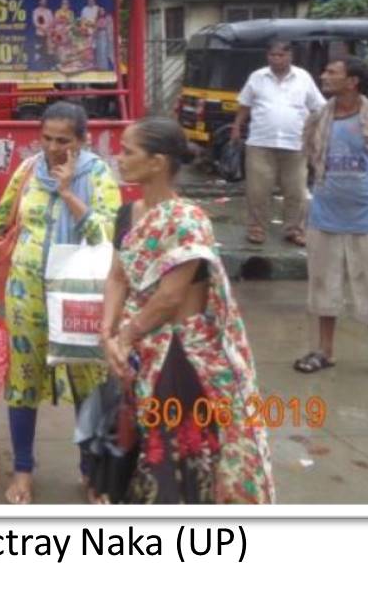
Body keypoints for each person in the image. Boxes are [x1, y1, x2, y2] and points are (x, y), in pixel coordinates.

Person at [102, 117, 275, 504]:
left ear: (157, 162)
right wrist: (107, 333)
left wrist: (123, 335)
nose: (120, 158)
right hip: (138, 350)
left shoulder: (188, 220)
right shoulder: (127, 214)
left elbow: (169, 298)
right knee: (143, 448)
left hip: (180, 354)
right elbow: (116, 276)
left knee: (178, 462)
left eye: (129, 151)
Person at [0, 101, 122, 505]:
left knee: (88, 381)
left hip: (79, 290)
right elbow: (1, 216)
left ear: (82, 141)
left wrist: (68, 193)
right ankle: (23, 470)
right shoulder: (29, 169)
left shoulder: (98, 175)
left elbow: (106, 234)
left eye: (63, 140)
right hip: (26, 288)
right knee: (23, 381)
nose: (53, 147)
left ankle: (90, 470)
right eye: (47, 138)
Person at [293, 56, 368, 385]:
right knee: (323, 287)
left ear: (352, 81)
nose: (324, 76)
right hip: (325, 217)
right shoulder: (319, 118)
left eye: (332, 72)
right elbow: (313, 160)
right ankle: (324, 351)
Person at [231, 41, 325, 247]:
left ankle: (294, 229)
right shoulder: (257, 77)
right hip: (260, 143)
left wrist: (316, 133)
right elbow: (244, 104)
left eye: (281, 55)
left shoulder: (303, 78)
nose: (276, 59)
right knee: (258, 190)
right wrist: (237, 126)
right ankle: (256, 228)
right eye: (273, 55)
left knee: (296, 191)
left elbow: (318, 107)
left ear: (290, 56)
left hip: (295, 144)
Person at [31, 0, 53, 70]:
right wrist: (43, 29)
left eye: (45, 1)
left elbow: (52, 22)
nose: (44, 2)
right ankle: (40, 68)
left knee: (47, 51)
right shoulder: (36, 11)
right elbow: (35, 22)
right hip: (39, 34)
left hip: (48, 35)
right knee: (39, 51)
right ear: (39, 2)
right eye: (42, 1)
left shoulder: (49, 11)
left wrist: (47, 30)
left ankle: (48, 67)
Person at [93, 8, 115, 73]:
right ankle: (99, 67)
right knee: (98, 51)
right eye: (100, 11)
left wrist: (109, 36)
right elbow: (95, 28)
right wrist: (95, 34)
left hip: (104, 35)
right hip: (98, 36)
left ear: (104, 11)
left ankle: (104, 68)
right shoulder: (97, 19)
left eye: (102, 10)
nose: (101, 12)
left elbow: (109, 27)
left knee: (103, 51)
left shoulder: (107, 18)